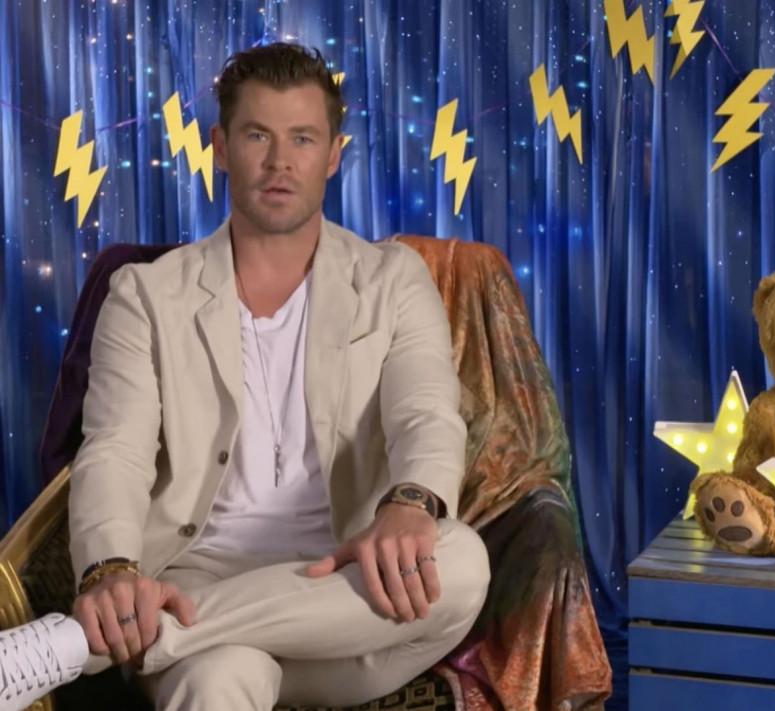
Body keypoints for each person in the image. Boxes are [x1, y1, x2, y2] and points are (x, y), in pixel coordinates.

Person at [0, 42, 490, 711]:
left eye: (302, 138)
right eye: (258, 135)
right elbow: (115, 449)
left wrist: (410, 502)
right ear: (221, 147)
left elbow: (426, 411)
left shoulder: (393, 279)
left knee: (462, 561)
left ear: (334, 153)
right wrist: (111, 571)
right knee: (215, 682)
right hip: (196, 576)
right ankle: (161, 634)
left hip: (348, 586)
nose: (280, 161)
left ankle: (80, 647)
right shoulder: (144, 293)